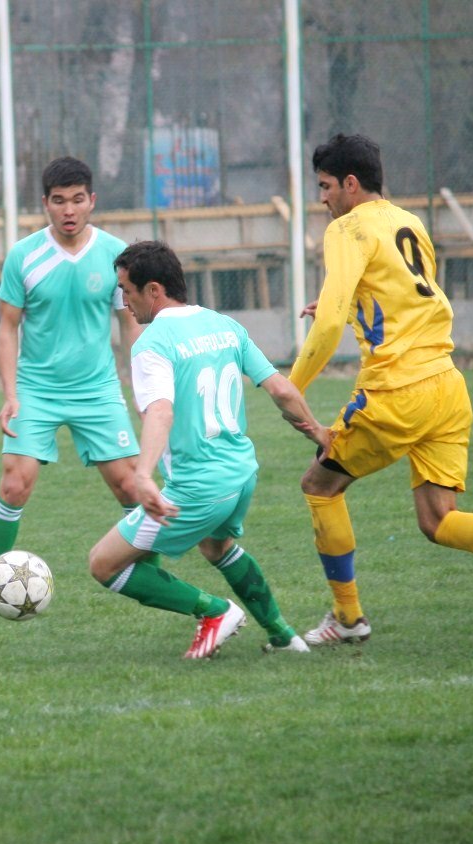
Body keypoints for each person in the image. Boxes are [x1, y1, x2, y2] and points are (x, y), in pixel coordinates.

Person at [289, 133, 473, 645]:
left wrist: (291, 388)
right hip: (447, 387)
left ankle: (348, 618)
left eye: (326, 186)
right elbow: (409, 298)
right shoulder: (409, 222)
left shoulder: (347, 228)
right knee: (438, 519)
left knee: (319, 486)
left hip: (396, 392)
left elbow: (328, 324)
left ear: (351, 184)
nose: (323, 199)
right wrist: (351, 307)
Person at [87, 240, 327, 658]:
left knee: (103, 564)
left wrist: (142, 474)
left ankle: (215, 612)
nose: (123, 302)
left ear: (154, 290)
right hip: (242, 474)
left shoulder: (151, 343)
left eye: (127, 290)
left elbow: (161, 411)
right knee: (217, 547)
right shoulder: (224, 325)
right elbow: (282, 390)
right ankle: (284, 636)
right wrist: (320, 434)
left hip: (199, 487)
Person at [0, 157, 146, 573]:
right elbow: (7, 329)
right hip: (36, 390)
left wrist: (144, 388)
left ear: (92, 200)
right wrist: (10, 395)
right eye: (59, 201)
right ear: (46, 204)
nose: (69, 210)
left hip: (97, 390)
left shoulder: (115, 255)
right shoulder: (24, 256)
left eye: (77, 200)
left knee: (132, 486)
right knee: (14, 484)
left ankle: (151, 578)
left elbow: (130, 324)